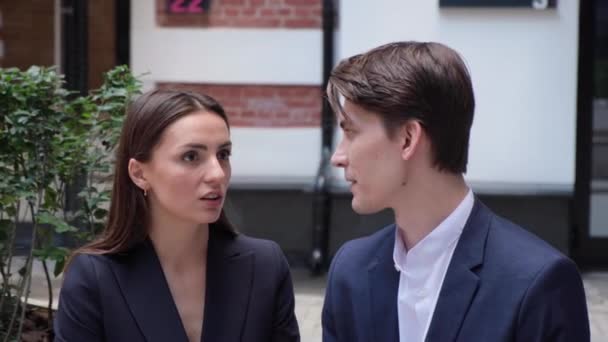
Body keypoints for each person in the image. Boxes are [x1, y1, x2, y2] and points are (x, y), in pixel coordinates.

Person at [321, 41, 590, 342]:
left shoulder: (538, 282)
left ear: (408, 138)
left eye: (350, 132)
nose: (338, 156)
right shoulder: (350, 271)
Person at [54, 89, 300, 342]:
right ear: (139, 173)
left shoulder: (264, 266)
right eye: (191, 156)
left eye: (223, 154)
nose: (217, 174)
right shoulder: (95, 279)